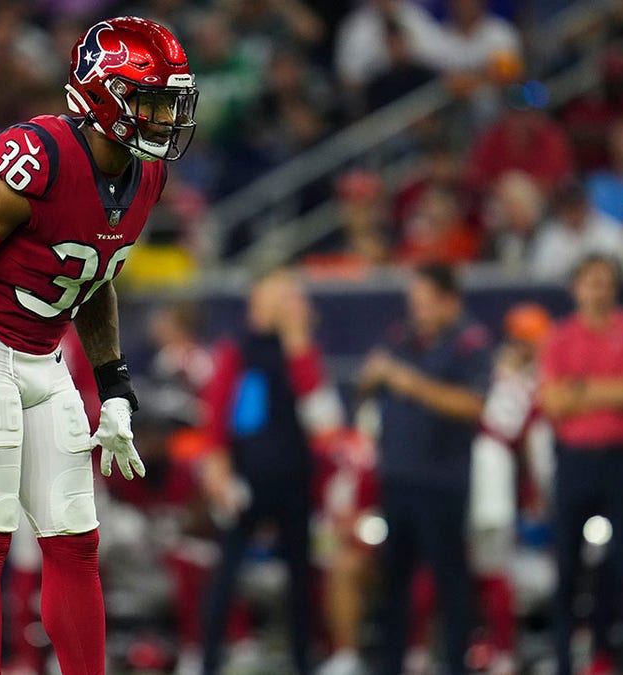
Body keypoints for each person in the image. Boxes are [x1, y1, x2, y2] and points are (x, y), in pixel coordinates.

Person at [0, 16, 198, 675]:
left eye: (168, 104)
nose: (162, 119)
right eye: (149, 102)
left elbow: (94, 280)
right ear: (103, 96)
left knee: (75, 539)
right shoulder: (38, 155)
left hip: (43, 356)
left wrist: (116, 385)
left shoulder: (144, 177)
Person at [199, 270, 344, 674]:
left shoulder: (301, 352)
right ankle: (209, 659)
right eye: (278, 296)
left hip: (295, 480)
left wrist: (299, 341)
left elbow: (325, 420)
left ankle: (303, 660)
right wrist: (217, 463)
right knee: (225, 575)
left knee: (301, 579)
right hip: (246, 481)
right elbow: (218, 412)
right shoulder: (238, 350)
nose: (286, 304)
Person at [357, 263, 492, 675]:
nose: (418, 310)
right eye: (414, 302)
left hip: (442, 482)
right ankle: (391, 665)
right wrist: (373, 376)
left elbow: (473, 404)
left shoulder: (471, 342)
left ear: (451, 301)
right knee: (392, 586)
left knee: (451, 585)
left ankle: (456, 665)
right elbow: (369, 381)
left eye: (427, 302)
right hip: (398, 477)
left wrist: (408, 382)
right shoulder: (401, 336)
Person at [538, 254, 623, 675]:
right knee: (567, 569)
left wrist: (580, 388)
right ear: (576, 288)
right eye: (590, 281)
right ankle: (566, 663)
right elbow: (551, 401)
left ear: (616, 288)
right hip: (575, 463)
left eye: (605, 281)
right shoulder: (558, 338)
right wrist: (606, 391)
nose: (597, 289)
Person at [466, 302, 555, 675]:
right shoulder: (489, 371)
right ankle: (474, 645)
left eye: (527, 340)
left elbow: (537, 449)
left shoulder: (540, 384)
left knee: (492, 566)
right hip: (460, 471)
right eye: (517, 339)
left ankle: (502, 650)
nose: (519, 346)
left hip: (491, 480)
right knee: (456, 567)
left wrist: (542, 494)